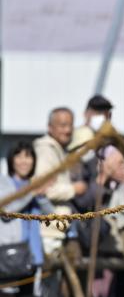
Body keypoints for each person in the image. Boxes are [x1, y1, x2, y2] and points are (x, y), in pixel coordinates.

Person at [0, 142, 51, 297]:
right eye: (19, 156)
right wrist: (32, 191)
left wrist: (40, 193)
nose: (24, 161)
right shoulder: (4, 182)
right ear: (11, 160)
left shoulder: (32, 185)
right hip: (8, 253)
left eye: (28, 156)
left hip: (31, 255)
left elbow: (49, 212)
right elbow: (7, 211)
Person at [32, 107, 83, 255]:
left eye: (70, 125)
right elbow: (42, 189)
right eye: (62, 125)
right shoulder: (46, 150)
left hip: (57, 229)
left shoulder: (60, 149)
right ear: (50, 127)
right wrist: (74, 189)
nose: (67, 130)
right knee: (48, 276)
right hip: (48, 232)